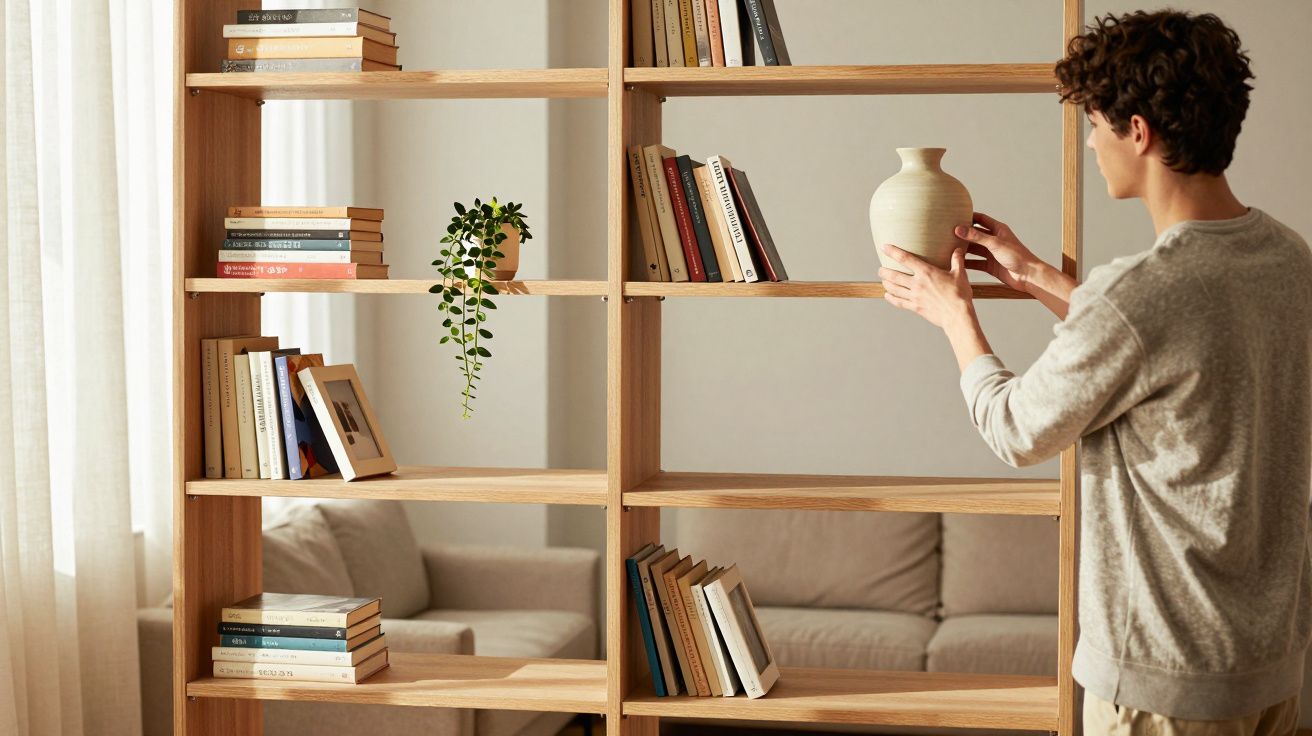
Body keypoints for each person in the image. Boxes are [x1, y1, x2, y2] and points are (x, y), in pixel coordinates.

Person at [878, 9, 1312, 734]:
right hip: (1271, 668)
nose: (1089, 142)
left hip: (1164, 685)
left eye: (1095, 124)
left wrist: (954, 316)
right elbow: (1173, 351)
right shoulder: (1287, 258)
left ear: (1137, 131)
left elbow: (1016, 430)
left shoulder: (1138, 293)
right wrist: (1034, 276)